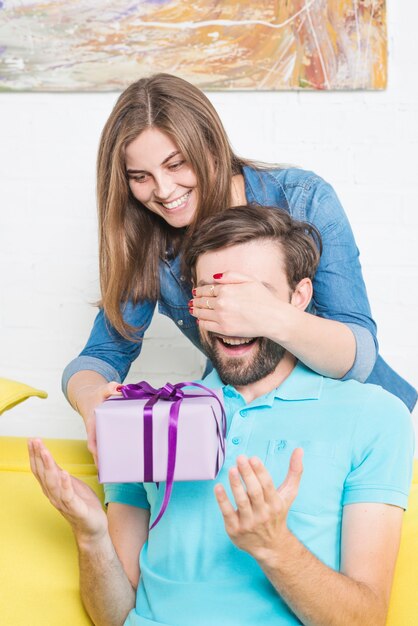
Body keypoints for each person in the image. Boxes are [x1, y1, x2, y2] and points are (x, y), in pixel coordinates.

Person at [31, 205, 414, 626]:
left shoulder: (374, 417)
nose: (231, 318)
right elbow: (116, 616)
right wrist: (91, 537)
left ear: (298, 297)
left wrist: (274, 546)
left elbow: (367, 619)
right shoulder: (149, 417)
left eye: (252, 297)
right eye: (212, 297)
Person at [62, 73, 416, 461]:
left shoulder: (304, 200)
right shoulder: (149, 240)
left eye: (176, 164)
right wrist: (90, 397)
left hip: (360, 425)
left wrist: (267, 315)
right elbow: (101, 355)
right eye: (140, 177)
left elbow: (359, 355)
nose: (163, 191)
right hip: (251, 432)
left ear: (211, 147)